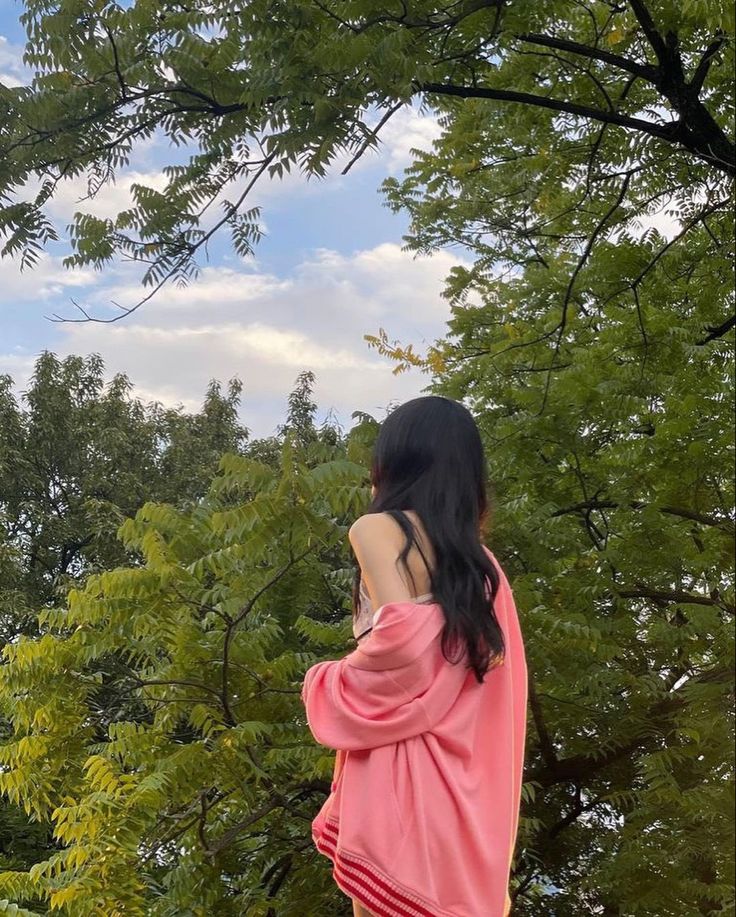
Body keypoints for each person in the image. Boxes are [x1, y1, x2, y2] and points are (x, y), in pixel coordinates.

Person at [301, 395, 528, 916]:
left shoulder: (378, 529)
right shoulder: (483, 568)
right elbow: (497, 698)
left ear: (395, 460)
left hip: (399, 779)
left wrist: (325, 682)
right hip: (467, 798)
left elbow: (401, 649)